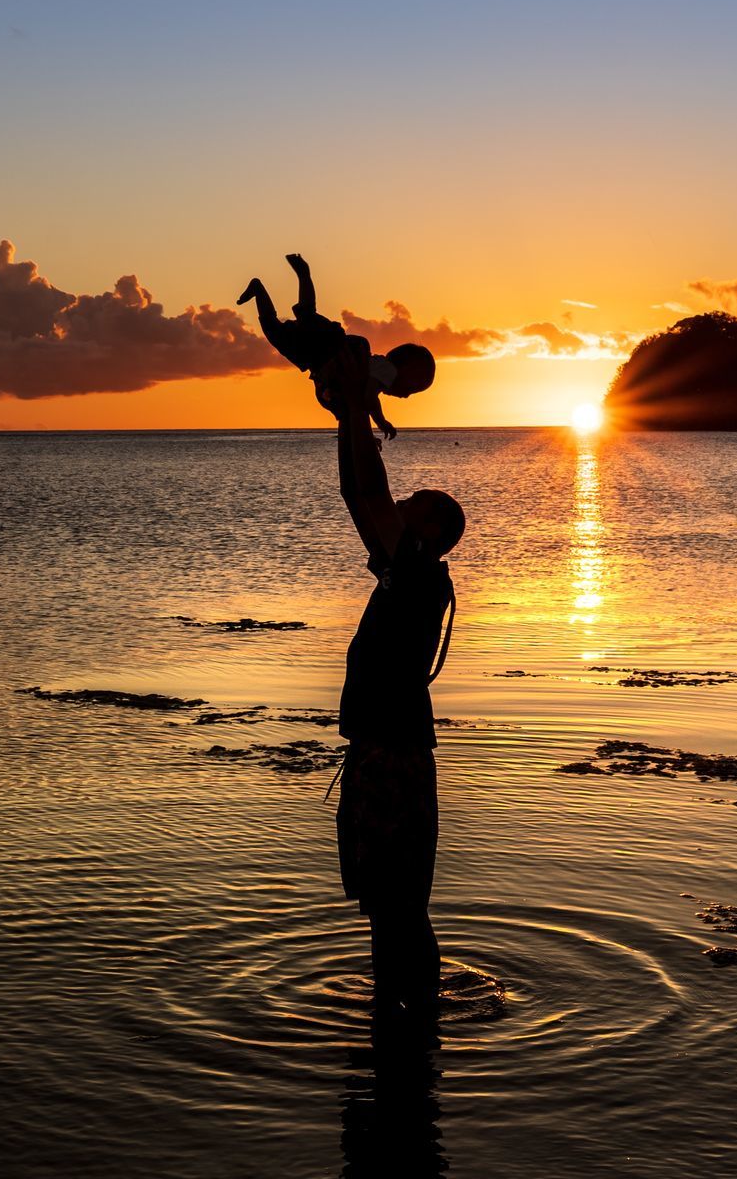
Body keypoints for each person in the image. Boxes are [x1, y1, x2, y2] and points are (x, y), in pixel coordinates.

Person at [319, 342, 464, 1027]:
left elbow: (368, 492)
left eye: (417, 501)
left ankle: (413, 1019)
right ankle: (398, 1022)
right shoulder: (406, 570)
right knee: (388, 902)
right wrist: (349, 416)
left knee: (399, 903)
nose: (402, 501)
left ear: (429, 531)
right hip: (385, 750)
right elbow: (360, 492)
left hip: (394, 757)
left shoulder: (415, 571)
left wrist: (354, 409)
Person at [238, 253, 435, 439]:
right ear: (406, 369)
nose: (407, 396)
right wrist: (382, 422)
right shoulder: (386, 371)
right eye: (412, 388)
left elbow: (353, 404)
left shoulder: (377, 371)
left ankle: (263, 288)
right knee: (298, 318)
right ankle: (301, 276)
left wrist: (361, 434)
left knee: (290, 324)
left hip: (318, 356)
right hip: (327, 350)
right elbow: (369, 399)